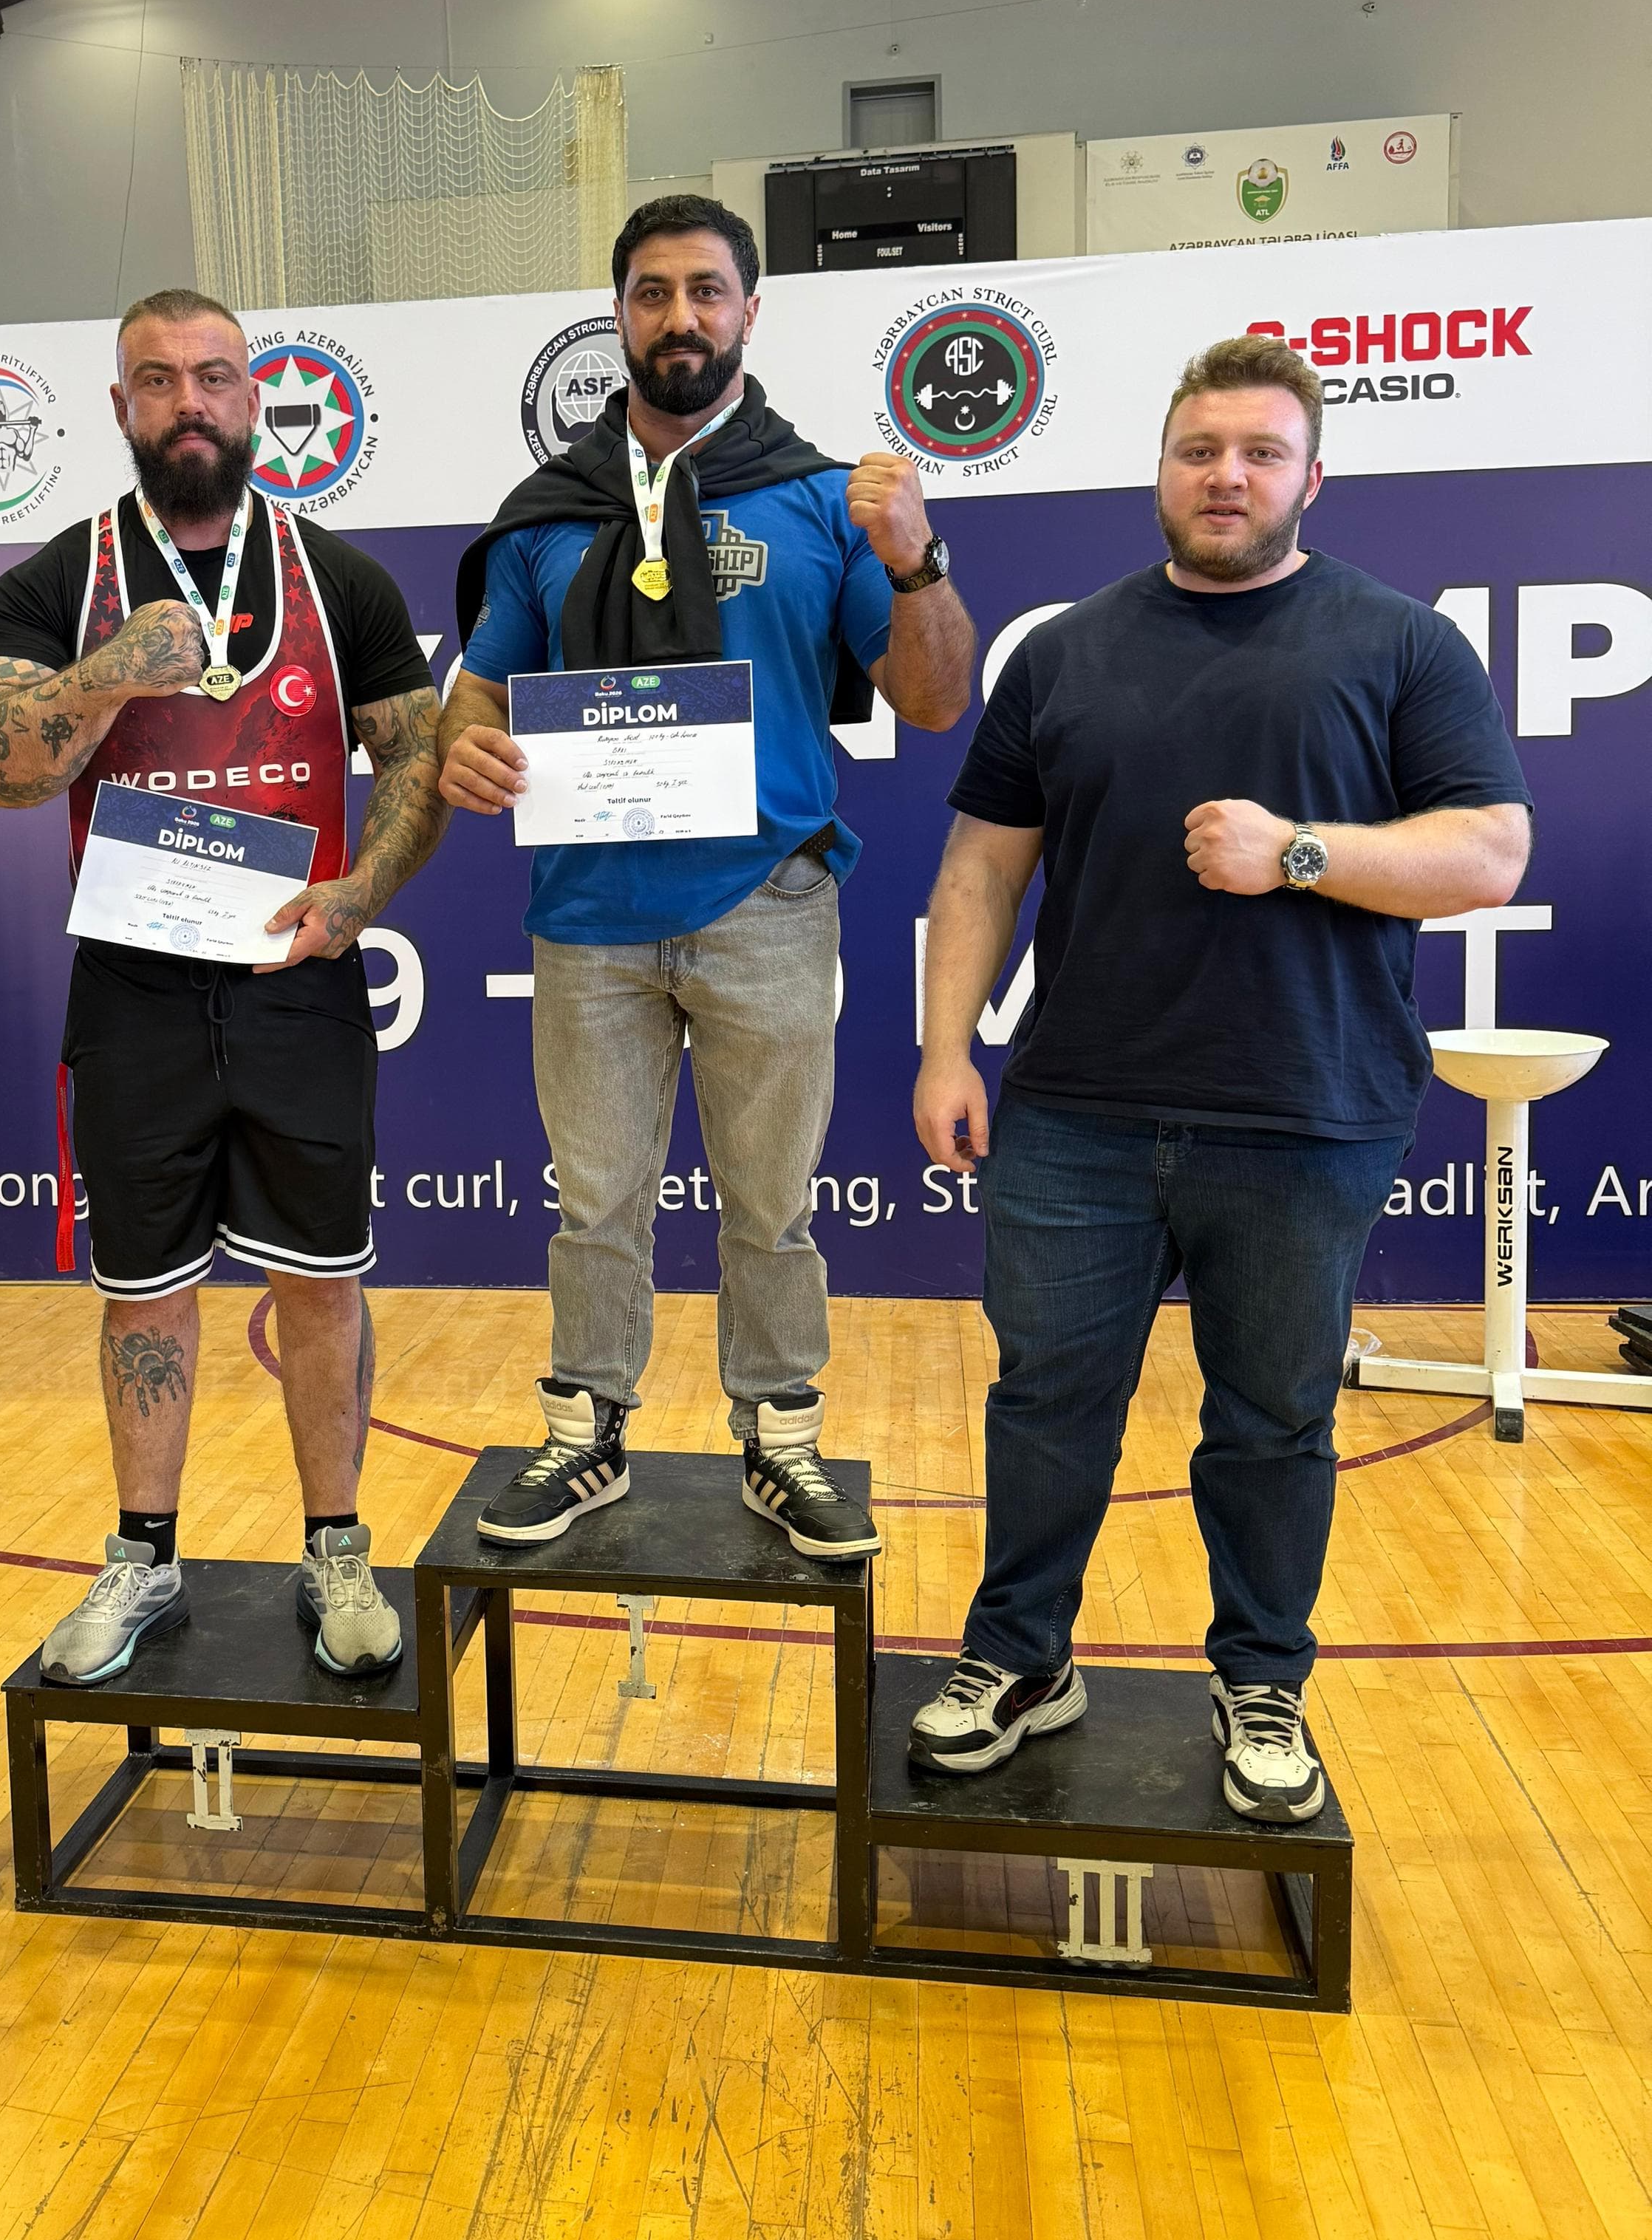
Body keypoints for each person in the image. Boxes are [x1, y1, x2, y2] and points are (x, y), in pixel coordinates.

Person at [908, 335, 1533, 1820]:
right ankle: (1021, 1657)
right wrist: (945, 1044)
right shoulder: (1065, 651)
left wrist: (1298, 852)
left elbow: (1489, 851)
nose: (1228, 476)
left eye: (1261, 453)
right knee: (1047, 1401)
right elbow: (983, 866)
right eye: (1202, 451)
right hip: (1076, 1110)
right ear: (1162, 471)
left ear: (1313, 477)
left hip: (1308, 1111)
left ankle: (1262, 1681)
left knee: (1271, 1421)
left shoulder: (1401, 644)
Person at [439, 194, 975, 1551]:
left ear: (749, 311)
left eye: (706, 291)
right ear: (619, 315)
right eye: (652, 293)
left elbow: (933, 700)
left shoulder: (823, 498)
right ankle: (586, 1432)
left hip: (766, 905)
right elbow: (483, 690)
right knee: (595, 1202)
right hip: (589, 916)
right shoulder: (548, 516)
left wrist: (917, 560)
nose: (679, 317)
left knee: (772, 1206)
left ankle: (781, 1438)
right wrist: (463, 747)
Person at [0, 287, 446, 1686]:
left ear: (253, 400)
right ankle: (145, 1555)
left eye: (214, 377)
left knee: (324, 1287)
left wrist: (364, 892)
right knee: (143, 1296)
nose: (188, 403)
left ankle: (336, 1547)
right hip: (136, 993)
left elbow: (414, 756)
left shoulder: (339, 579)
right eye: (158, 380)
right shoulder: (56, 582)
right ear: (121, 407)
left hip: (297, 977)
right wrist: (112, 672)